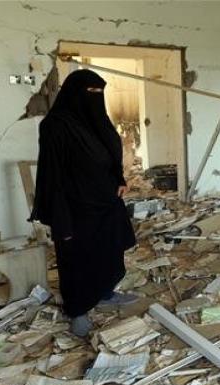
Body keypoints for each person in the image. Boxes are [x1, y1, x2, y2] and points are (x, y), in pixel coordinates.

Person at [29, 69, 138, 337]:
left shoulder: (96, 120)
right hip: (75, 206)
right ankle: (77, 309)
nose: (96, 98)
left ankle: (104, 293)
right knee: (77, 258)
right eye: (90, 93)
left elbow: (110, 153)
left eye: (100, 93)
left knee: (110, 252)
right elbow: (51, 174)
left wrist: (119, 178)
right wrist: (59, 219)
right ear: (73, 94)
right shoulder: (56, 125)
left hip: (106, 201)